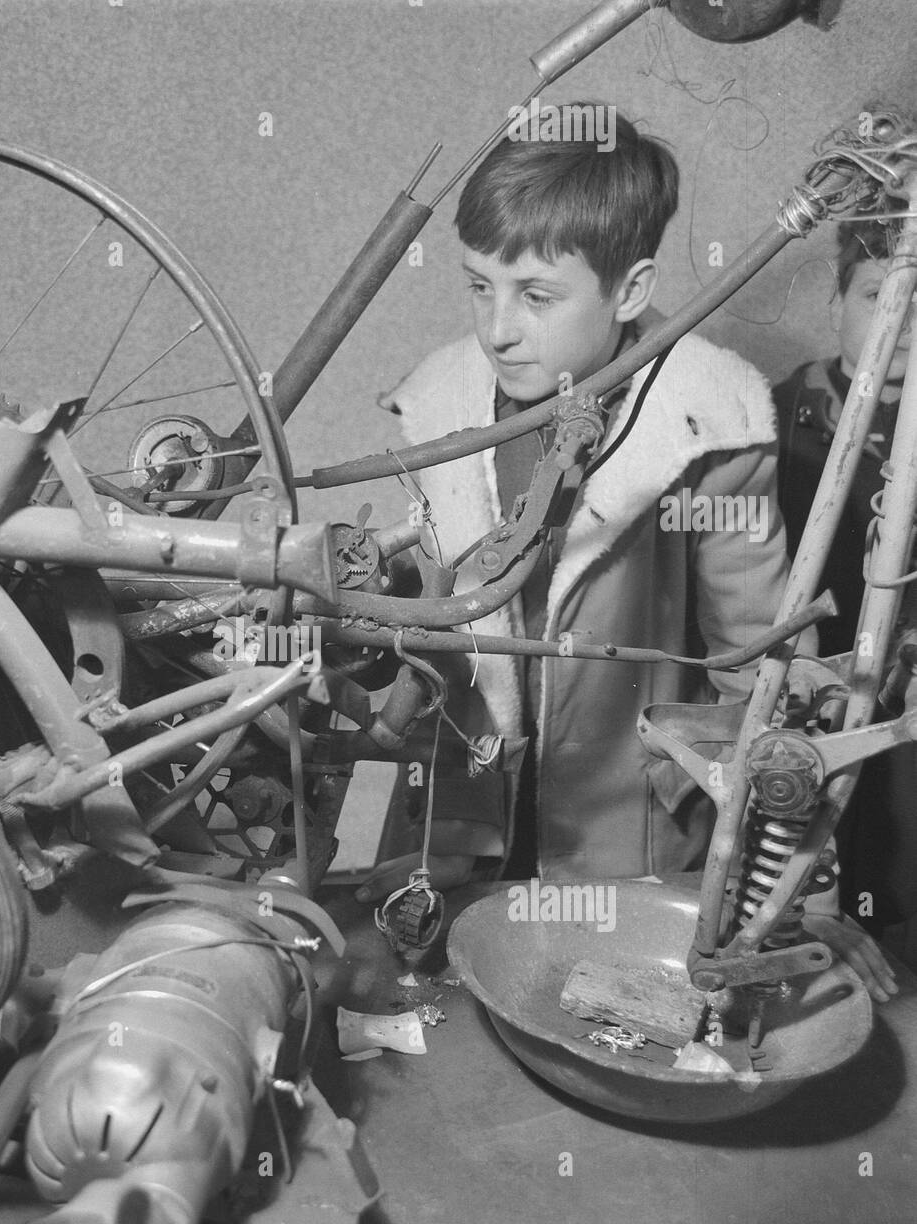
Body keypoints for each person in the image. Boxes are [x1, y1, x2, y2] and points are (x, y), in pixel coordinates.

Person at [355, 102, 895, 1002]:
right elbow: (429, 611)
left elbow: (756, 672)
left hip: (625, 855)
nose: (498, 329)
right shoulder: (441, 399)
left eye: (536, 295)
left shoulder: (709, 423)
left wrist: (801, 892)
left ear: (631, 291)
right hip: (449, 837)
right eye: (478, 286)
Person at [774, 214, 915, 965]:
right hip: (804, 732)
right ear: (835, 301)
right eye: (877, 294)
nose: (902, 324)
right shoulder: (767, 425)